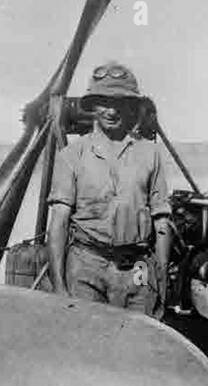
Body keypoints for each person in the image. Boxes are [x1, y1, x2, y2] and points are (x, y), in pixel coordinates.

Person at [41, 62, 172, 316]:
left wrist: (162, 278)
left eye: (120, 103)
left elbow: (161, 219)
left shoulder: (151, 154)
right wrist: (59, 286)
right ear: (92, 107)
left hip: (138, 269)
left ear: (131, 107)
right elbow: (58, 223)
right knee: (87, 345)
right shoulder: (72, 156)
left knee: (138, 342)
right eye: (103, 102)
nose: (111, 111)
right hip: (86, 267)